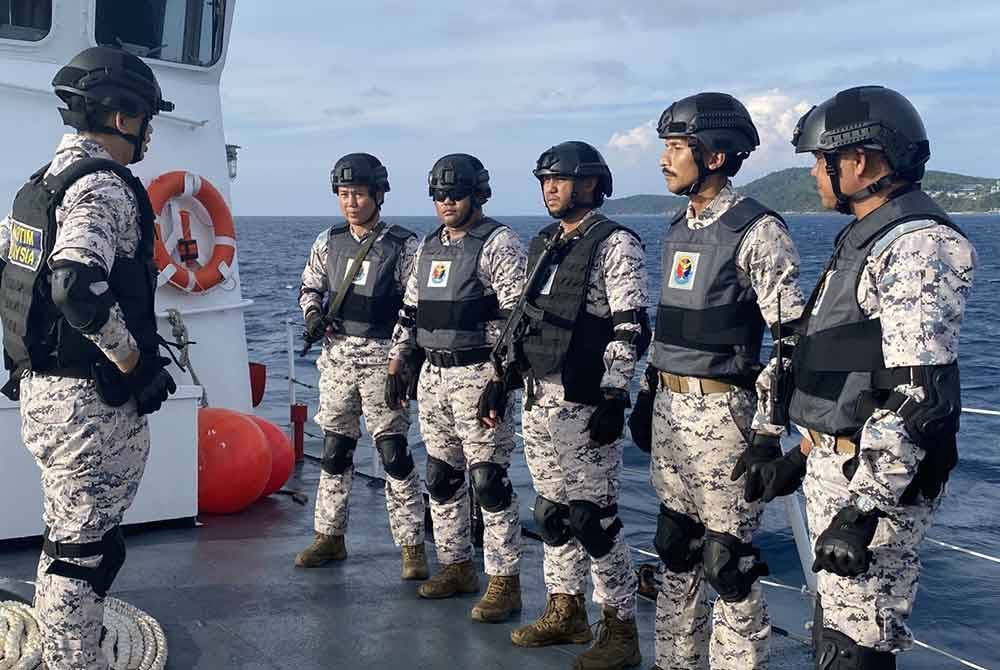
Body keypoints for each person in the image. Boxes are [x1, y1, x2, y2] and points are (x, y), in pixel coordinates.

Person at [760, 85, 976, 669]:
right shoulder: (868, 236)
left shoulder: (918, 245)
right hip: (840, 467)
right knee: (836, 628)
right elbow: (853, 373)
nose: (814, 173)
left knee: (857, 646)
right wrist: (803, 453)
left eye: (820, 160)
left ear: (859, 160)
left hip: (874, 483)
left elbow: (918, 396)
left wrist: (863, 510)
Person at [0, 46, 177, 670]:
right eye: (147, 118)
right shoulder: (101, 186)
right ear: (123, 118)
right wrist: (134, 364)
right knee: (83, 555)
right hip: (88, 405)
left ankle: (69, 650)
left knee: (75, 541)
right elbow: (75, 285)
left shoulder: (39, 187)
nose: (148, 132)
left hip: (44, 394)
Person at [628, 92, 806, 670]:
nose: (664, 159)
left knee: (726, 563)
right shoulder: (678, 227)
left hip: (723, 414)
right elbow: (670, 326)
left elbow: (789, 343)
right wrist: (646, 393)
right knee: (675, 546)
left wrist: (767, 433)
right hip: (670, 410)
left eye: (676, 147)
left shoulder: (757, 230)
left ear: (715, 155)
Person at [505, 141, 648, 670]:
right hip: (538, 394)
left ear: (590, 184)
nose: (550, 189)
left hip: (584, 400)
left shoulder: (616, 244)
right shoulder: (546, 242)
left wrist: (615, 393)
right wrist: (504, 375)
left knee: (594, 519)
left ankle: (620, 627)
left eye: (560, 180)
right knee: (553, 514)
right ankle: (565, 610)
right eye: (544, 180)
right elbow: (525, 316)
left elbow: (630, 326)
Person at [386, 153, 524, 622]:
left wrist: (501, 378)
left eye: (456, 194)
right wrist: (398, 360)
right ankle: (456, 565)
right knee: (442, 477)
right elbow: (410, 311)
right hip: (434, 376)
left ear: (478, 194)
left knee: (488, 481)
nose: (447, 202)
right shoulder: (429, 246)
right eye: (439, 195)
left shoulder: (499, 243)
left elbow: (517, 318)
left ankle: (504, 581)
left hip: (478, 375)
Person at [295, 153, 428, 580]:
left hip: (382, 360)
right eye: (344, 194)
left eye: (359, 194)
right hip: (337, 360)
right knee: (335, 450)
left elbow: (415, 306)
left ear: (378, 195)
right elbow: (310, 287)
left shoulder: (403, 245)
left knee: (393, 453)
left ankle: (411, 546)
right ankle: (329, 536)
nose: (351, 202)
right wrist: (313, 315)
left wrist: (400, 359)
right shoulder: (328, 241)